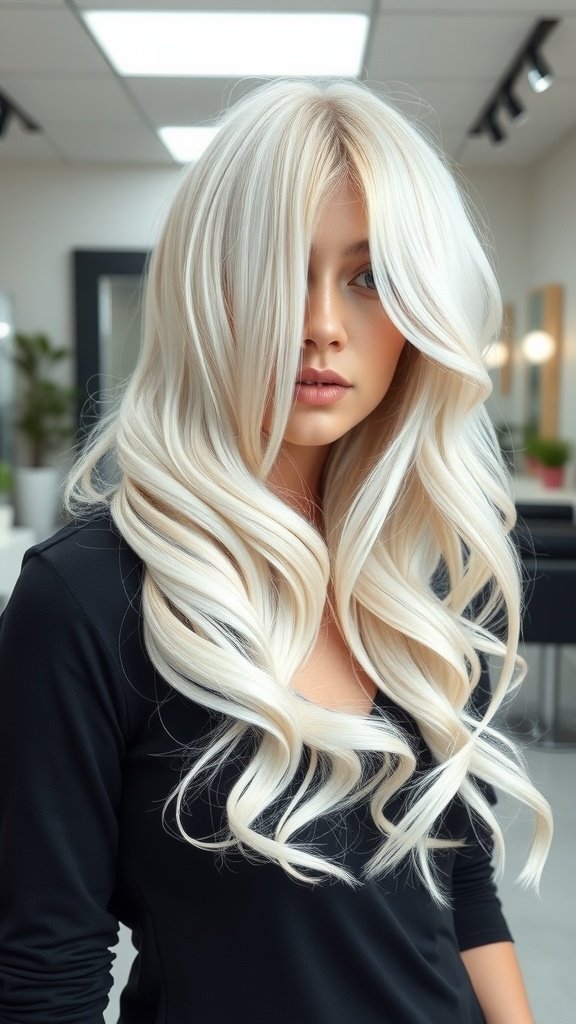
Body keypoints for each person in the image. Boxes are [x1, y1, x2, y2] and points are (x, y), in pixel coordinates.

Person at [0, 78, 552, 1024]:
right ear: (205, 291)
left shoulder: (428, 577)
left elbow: (461, 890)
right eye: (279, 269)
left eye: (369, 277)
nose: (321, 324)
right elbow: (45, 977)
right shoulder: (88, 599)